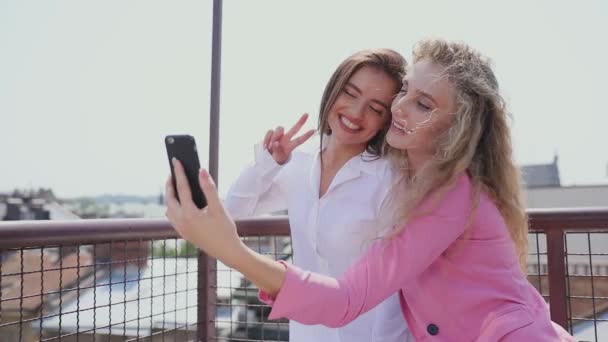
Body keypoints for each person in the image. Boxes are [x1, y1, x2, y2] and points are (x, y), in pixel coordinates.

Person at [165, 38, 575, 341]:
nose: (398, 108)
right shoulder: (407, 178)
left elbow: (349, 297)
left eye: (423, 104)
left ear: (457, 127)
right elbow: (240, 207)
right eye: (406, 94)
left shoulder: (438, 191)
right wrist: (266, 164)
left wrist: (229, 250)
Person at [222, 49, 413, 341]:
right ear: (334, 89)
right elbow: (232, 215)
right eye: (350, 93)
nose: (356, 113)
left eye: (375, 108)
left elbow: (394, 285)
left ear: (385, 121)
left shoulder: (390, 179)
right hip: (307, 332)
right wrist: (268, 162)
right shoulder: (299, 160)